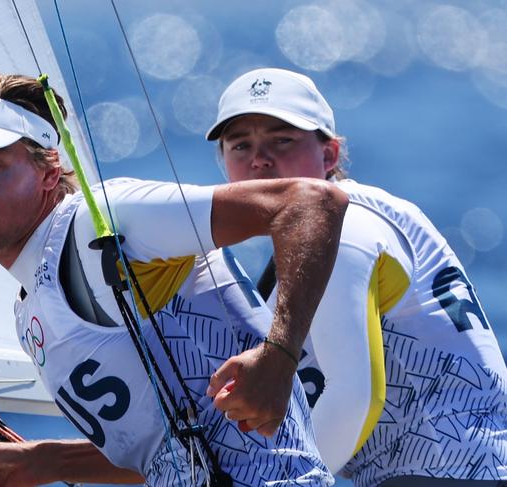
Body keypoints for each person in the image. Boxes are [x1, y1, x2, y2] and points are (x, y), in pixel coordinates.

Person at [0, 73, 348, 486]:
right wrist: (44, 461)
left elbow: (312, 202)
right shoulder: (30, 308)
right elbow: (170, 452)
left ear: (49, 171)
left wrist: (280, 354)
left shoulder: (105, 219)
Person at [205, 68, 507, 486]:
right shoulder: (356, 220)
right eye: (241, 145)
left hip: (441, 473)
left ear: (329, 156)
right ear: (224, 164)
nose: (260, 159)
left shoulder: (344, 233)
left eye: (282, 140)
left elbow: (354, 400)